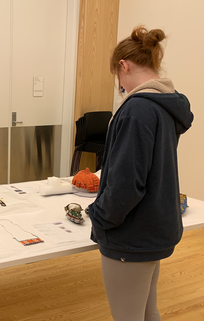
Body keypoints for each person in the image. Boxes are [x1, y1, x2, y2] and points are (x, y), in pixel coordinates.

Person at [87, 26, 193, 320]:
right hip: (155, 227)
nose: (119, 85)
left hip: (131, 234)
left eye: (117, 78)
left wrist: (100, 216)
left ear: (123, 66)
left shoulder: (137, 109)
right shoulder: (167, 106)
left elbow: (126, 183)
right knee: (146, 312)